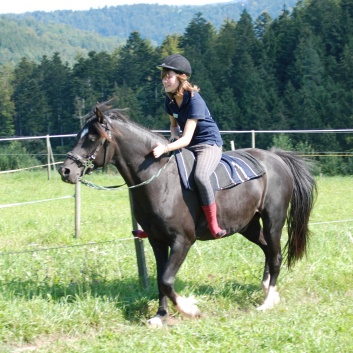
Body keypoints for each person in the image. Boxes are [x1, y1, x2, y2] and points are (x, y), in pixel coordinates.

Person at [153, 54, 226, 238]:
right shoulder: (169, 101)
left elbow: (186, 139)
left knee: (200, 176)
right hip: (188, 144)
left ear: (182, 77)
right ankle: (154, 226)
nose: (164, 80)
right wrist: (172, 137)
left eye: (168, 76)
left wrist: (165, 148)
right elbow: (173, 126)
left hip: (208, 144)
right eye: (163, 76)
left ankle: (213, 225)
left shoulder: (194, 100)